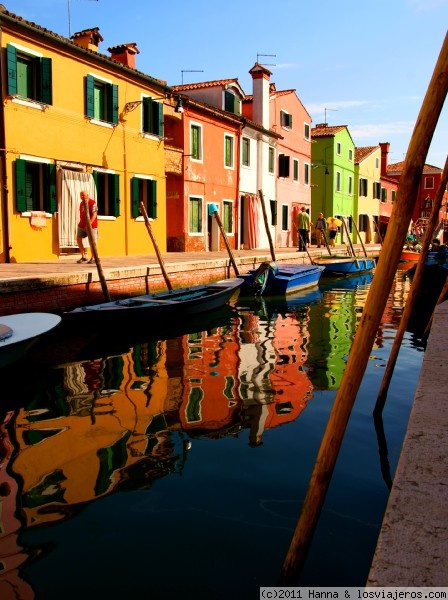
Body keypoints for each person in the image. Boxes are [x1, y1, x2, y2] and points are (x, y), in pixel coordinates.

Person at [76, 190, 98, 264]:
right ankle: (83, 257)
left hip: (91, 225)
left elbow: (94, 214)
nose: (82, 197)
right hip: (82, 224)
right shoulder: (81, 203)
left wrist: (89, 224)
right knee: (78, 238)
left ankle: (93, 257)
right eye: (81, 195)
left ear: (87, 195)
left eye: (83, 195)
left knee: (92, 241)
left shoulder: (92, 202)